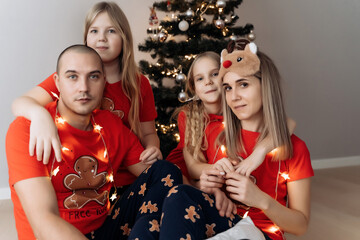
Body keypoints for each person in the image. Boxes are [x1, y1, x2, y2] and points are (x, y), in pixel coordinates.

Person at [6, 45, 182, 240]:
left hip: (104, 230)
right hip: (54, 236)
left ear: (104, 82)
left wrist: (205, 184)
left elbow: (156, 176)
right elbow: (44, 222)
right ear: (57, 82)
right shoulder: (27, 129)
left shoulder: (110, 125)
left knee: (165, 170)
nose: (84, 87)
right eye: (73, 76)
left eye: (93, 76)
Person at [159, 40, 314, 240]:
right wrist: (209, 184)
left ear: (265, 85)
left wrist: (260, 199)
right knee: (179, 194)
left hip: (260, 232)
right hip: (222, 222)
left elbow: (300, 225)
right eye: (228, 88)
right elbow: (196, 172)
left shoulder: (295, 149)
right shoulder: (216, 134)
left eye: (243, 84)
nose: (234, 96)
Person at [11, 1, 161, 191]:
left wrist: (152, 148)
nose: (102, 38)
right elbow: (21, 103)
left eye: (111, 31)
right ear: (86, 38)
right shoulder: (71, 80)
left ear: (124, 37)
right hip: (87, 179)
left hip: (130, 179)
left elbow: (149, 133)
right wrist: (40, 116)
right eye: (94, 31)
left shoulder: (139, 84)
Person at [167, 50, 296, 188]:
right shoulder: (189, 115)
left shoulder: (238, 107)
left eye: (214, 74)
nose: (208, 82)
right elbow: (192, 167)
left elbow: (289, 123)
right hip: (186, 173)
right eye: (200, 79)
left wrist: (259, 152)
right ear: (193, 87)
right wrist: (218, 170)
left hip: (217, 177)